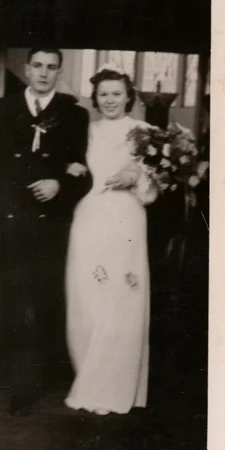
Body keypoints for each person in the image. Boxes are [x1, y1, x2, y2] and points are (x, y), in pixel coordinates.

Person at [0, 48, 90, 415]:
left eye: (52, 68)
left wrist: (59, 186)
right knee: (3, 300)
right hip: (4, 222)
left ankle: (28, 383)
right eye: (38, 66)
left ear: (59, 72)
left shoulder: (73, 115)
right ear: (27, 69)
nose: (44, 73)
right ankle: (5, 373)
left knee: (39, 303)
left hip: (47, 227)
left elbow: (82, 169)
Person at [64, 65, 158, 416]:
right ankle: (88, 376)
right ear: (95, 98)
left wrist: (136, 176)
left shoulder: (144, 131)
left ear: (128, 96)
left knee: (123, 298)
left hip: (127, 220)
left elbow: (153, 191)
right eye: (103, 94)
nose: (110, 100)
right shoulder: (85, 131)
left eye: (116, 93)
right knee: (88, 297)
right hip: (89, 219)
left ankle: (116, 384)